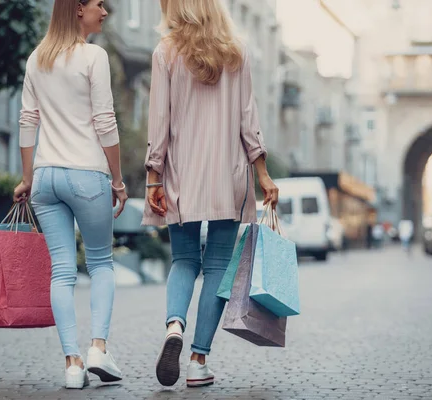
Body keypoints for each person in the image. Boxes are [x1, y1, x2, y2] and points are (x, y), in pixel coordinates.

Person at [142, 0, 279, 388]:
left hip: (181, 176)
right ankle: (198, 360)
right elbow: (248, 118)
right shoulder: (237, 53)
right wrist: (262, 172)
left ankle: (174, 325)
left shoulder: (165, 52)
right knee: (217, 267)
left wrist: (154, 175)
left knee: (184, 259)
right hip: (228, 176)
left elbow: (159, 120)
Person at [13, 0, 127, 390]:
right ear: (78, 9)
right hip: (87, 174)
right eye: (99, 4)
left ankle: (72, 365)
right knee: (101, 264)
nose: (105, 11)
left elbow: (28, 121)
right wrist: (118, 178)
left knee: (62, 271)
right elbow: (104, 121)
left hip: (45, 178)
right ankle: (98, 347)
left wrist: (27, 178)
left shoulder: (36, 59)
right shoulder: (94, 56)